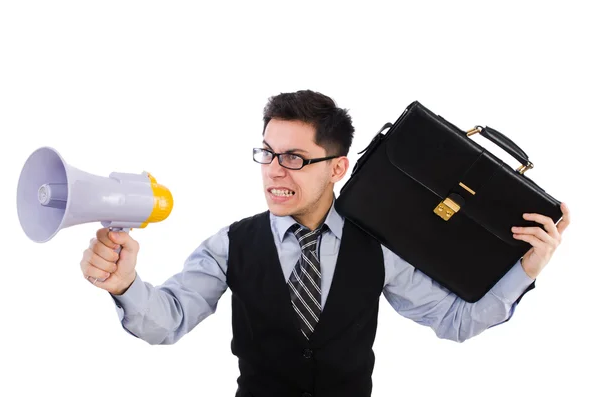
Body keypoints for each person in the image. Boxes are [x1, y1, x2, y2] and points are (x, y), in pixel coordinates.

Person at [80, 90, 570, 397]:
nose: (274, 171)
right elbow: (167, 321)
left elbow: (455, 321)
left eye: (294, 157)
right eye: (268, 153)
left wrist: (525, 269)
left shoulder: (380, 245)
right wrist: (125, 285)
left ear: (338, 168)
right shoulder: (230, 243)